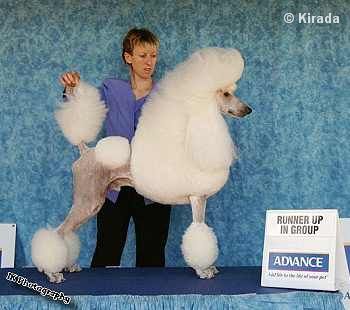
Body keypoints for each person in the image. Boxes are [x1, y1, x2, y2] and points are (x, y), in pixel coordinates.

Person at [59, 28, 172, 268]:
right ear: (128, 57)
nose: (149, 62)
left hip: (154, 188)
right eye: (142, 55)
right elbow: (83, 107)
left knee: (152, 259)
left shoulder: (168, 94)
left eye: (153, 55)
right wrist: (72, 89)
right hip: (112, 185)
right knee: (106, 253)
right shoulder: (111, 89)